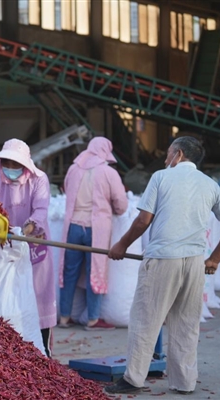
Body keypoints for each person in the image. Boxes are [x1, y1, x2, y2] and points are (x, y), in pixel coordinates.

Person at [105, 136, 220, 395]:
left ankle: (133, 379)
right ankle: (184, 382)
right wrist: (214, 260)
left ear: (178, 155)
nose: (166, 159)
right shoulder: (209, 184)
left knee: (146, 320)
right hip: (193, 264)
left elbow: (143, 220)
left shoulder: (161, 177)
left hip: (163, 260)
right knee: (186, 324)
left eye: (168, 154)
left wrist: (121, 245)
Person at [0, 138, 56, 358]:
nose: (12, 169)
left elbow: (41, 209)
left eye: (16, 164)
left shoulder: (39, 180)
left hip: (35, 246)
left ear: (25, 164)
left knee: (39, 296)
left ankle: (43, 352)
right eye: (8, 163)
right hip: (7, 248)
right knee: (9, 298)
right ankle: (11, 352)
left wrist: (26, 229)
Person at [57, 137, 128, 331]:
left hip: (72, 227)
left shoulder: (73, 169)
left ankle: (64, 317)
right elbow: (121, 204)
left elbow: (65, 189)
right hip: (97, 230)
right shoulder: (108, 172)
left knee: (69, 271)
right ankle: (93, 319)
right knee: (95, 271)